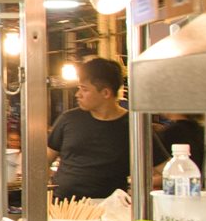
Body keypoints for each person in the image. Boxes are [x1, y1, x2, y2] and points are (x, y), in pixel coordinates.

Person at [47, 57, 169, 201]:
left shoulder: (134, 127)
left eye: (84, 89)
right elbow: (43, 160)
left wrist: (137, 185)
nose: (77, 94)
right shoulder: (68, 119)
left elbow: (168, 172)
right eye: (79, 88)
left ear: (106, 93)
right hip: (64, 207)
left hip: (111, 212)